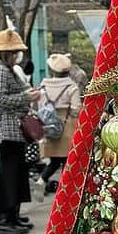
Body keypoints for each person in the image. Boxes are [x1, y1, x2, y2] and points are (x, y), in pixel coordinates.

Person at [0, 29, 39, 234]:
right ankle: (5, 219)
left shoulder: (4, 70)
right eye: (14, 52)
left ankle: (12, 216)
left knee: (13, 175)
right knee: (7, 176)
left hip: (11, 131)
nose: (17, 56)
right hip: (4, 130)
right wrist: (26, 97)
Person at [39, 53, 82, 192]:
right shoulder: (72, 87)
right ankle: (65, 190)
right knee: (67, 160)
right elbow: (77, 109)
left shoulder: (43, 86)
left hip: (49, 126)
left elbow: (41, 106)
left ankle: (41, 180)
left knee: (54, 159)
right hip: (67, 126)